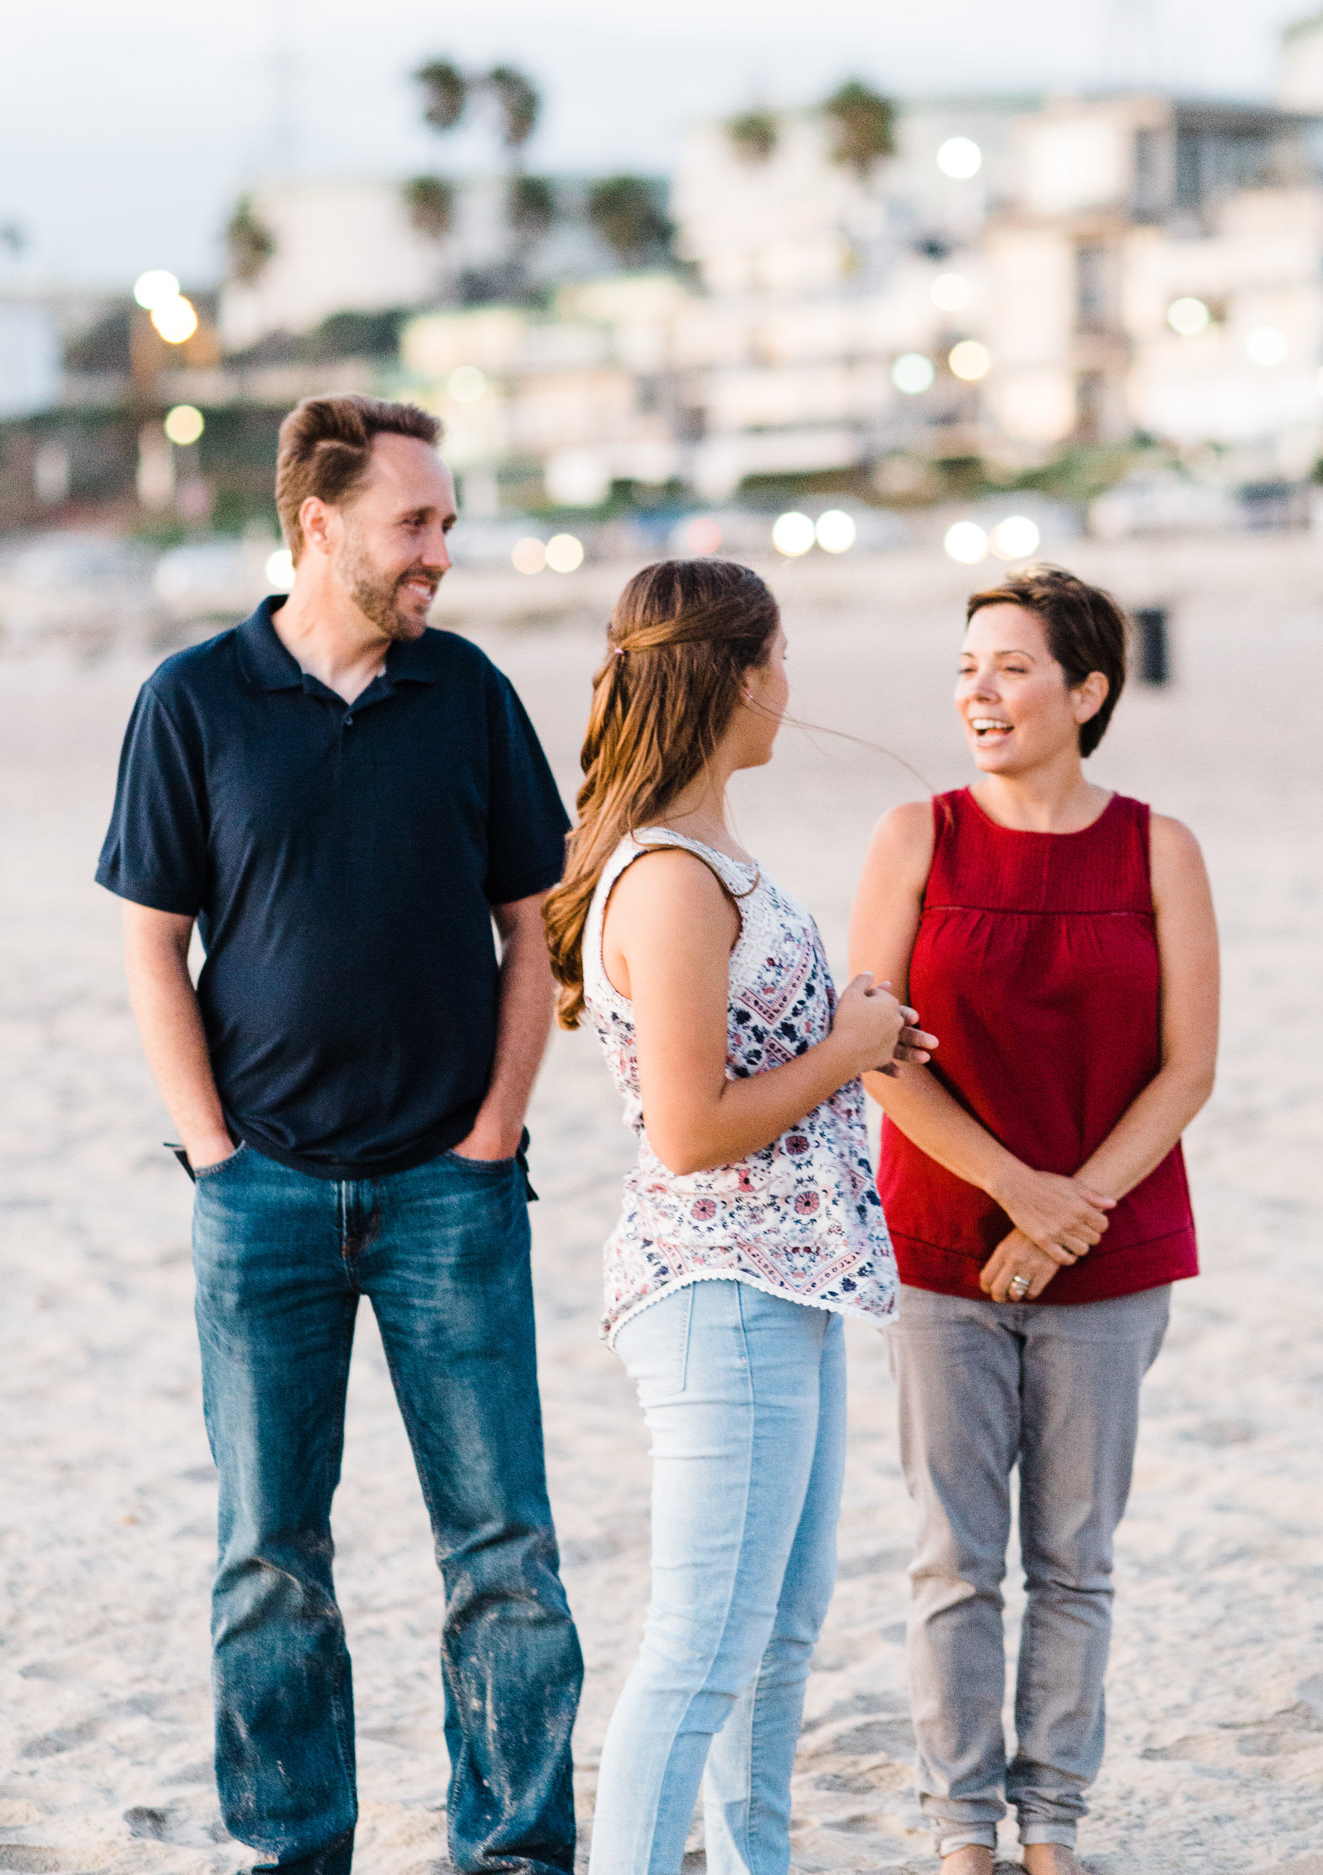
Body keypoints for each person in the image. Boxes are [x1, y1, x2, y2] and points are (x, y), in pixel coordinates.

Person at [96, 394, 583, 1875]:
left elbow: (532, 928)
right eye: (415, 523)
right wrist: (217, 1157)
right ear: (319, 523)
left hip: (453, 1187)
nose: (442, 551)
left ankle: (509, 1853)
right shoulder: (194, 700)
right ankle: (293, 1850)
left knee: (502, 1554)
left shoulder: (469, 692)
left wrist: (496, 1131)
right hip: (266, 1200)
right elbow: (150, 947)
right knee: (267, 1561)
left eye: (444, 522)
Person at [543, 559, 934, 1875]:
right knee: (702, 1647)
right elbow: (690, 1127)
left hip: (790, 1284)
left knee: (773, 1639)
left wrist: (854, 1035)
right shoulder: (664, 878)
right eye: (779, 657)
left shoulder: (708, 857)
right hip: (716, 1290)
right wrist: (851, 1048)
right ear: (731, 674)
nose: (790, 686)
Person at [849, 566, 1219, 1875]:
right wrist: (1016, 1190)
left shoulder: (1156, 848)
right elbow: (878, 1050)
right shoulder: (915, 838)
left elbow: (1185, 1069)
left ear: (1086, 690)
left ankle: (1049, 1818)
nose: (978, 693)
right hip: (942, 1249)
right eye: (965, 668)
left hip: (1112, 1262)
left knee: (1073, 1558)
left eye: (1008, 667)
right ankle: (960, 1828)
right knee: (953, 1556)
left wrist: (1070, 1216)